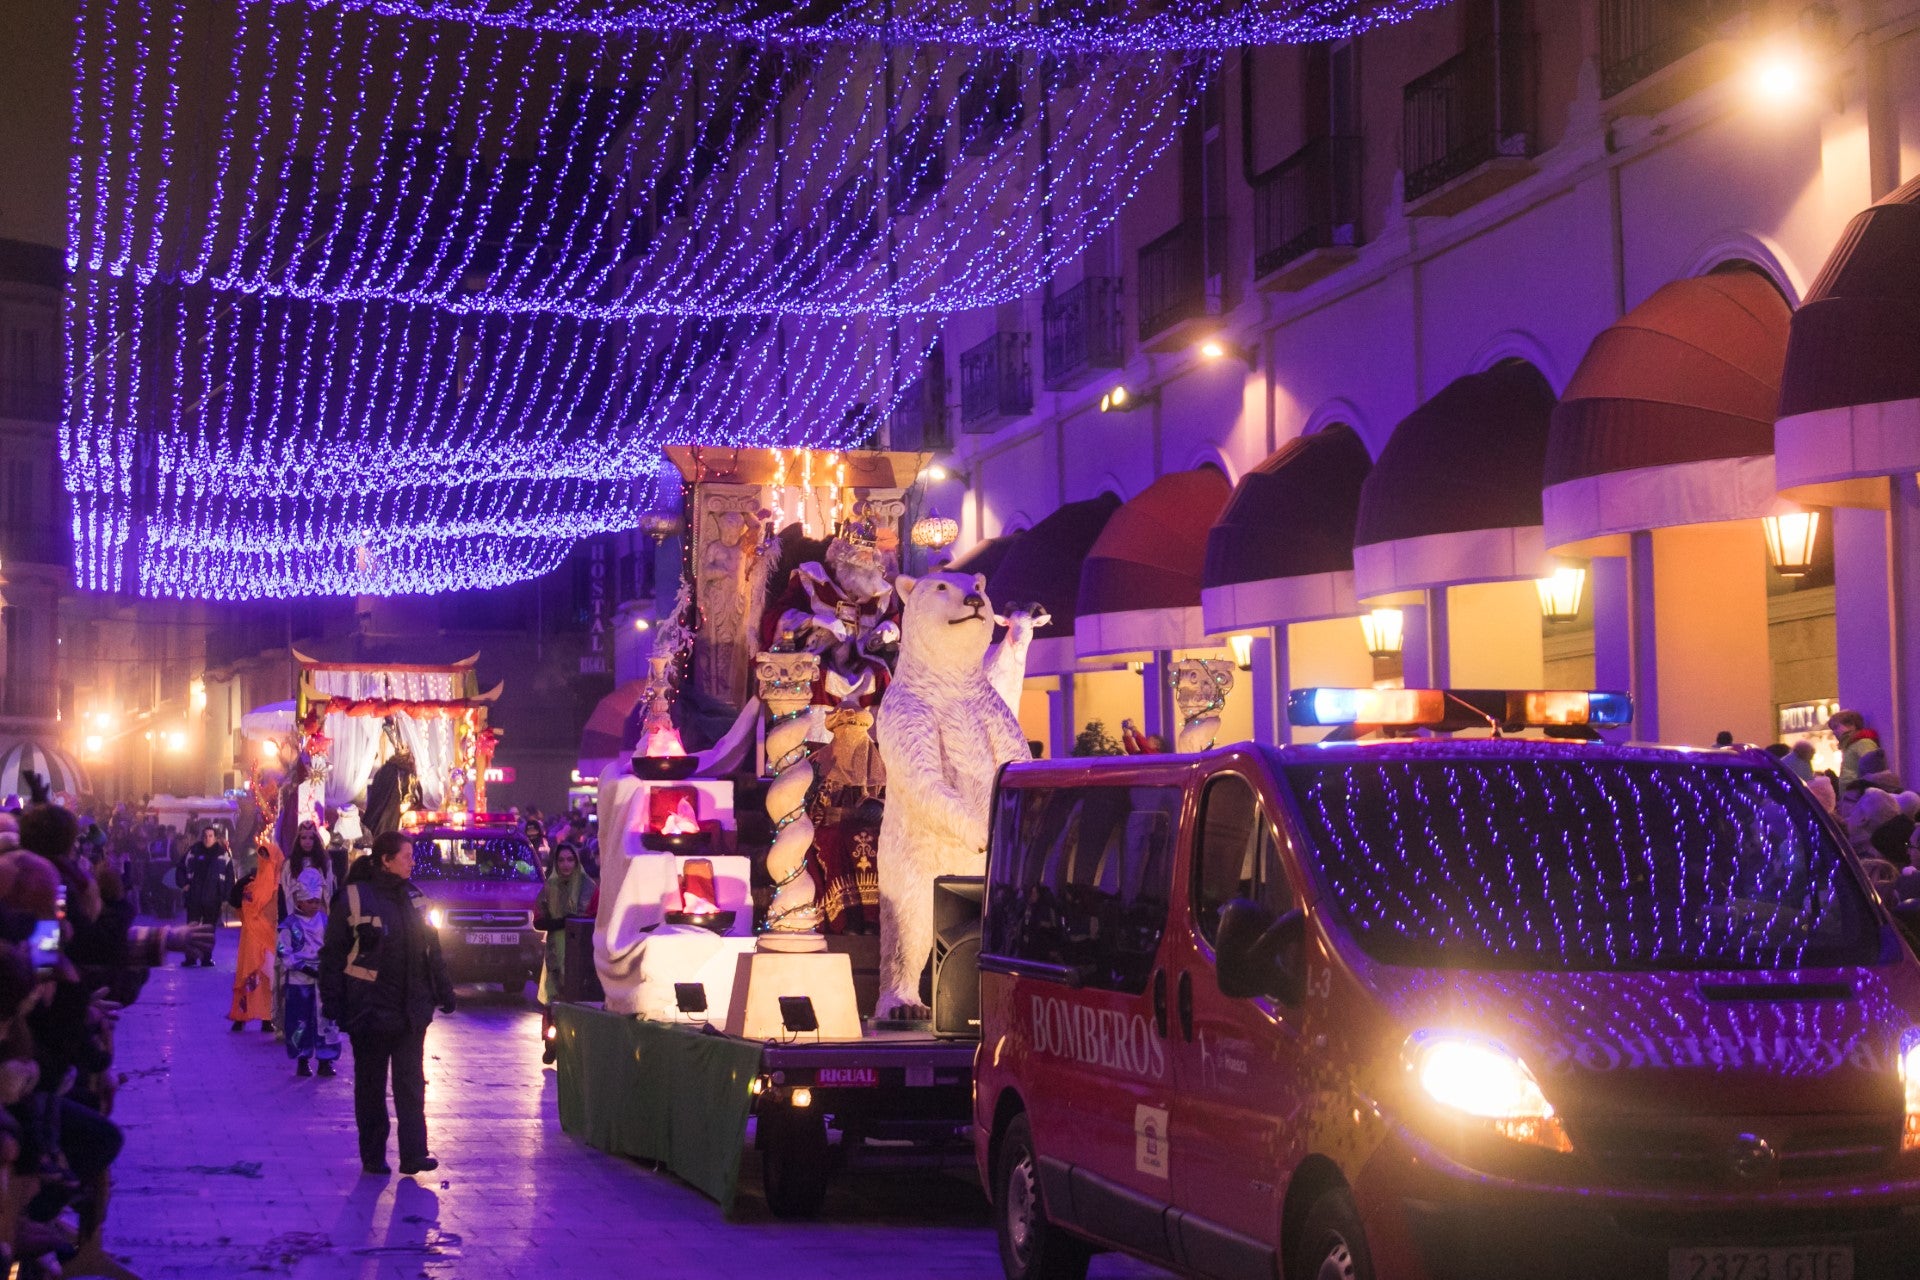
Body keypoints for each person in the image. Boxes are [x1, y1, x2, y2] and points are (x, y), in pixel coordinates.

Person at [319, 831, 454, 1177]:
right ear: (385, 859)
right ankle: (373, 1156)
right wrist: (332, 1001)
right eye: (406, 856)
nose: (412, 862)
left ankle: (414, 1154)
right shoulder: (353, 897)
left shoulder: (417, 898)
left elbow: (432, 950)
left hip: (411, 1010)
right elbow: (333, 953)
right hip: (370, 1010)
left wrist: (442, 989)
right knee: (371, 1086)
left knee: (410, 1084)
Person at [532, 844, 594, 1064]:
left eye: (570, 860)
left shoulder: (589, 887)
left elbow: (596, 918)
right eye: (561, 860)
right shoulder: (550, 887)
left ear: (576, 862)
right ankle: (552, 1043)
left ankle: (576, 1044)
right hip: (556, 951)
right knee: (553, 996)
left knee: (577, 998)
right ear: (556, 863)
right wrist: (560, 922)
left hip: (582, 953)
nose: (566, 865)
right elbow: (538, 920)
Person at [279, 869, 340, 1078]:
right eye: (310, 901)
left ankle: (326, 1059)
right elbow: (283, 951)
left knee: (326, 1020)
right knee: (300, 1021)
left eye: (317, 901)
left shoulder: (324, 921)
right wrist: (302, 966)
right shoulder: (289, 925)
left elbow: (333, 946)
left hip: (321, 981)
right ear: (299, 901)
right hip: (299, 983)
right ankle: (302, 1059)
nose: (314, 905)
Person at [228, 839, 284, 1033]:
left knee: (267, 978)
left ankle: (267, 1018)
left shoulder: (280, 887)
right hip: (250, 940)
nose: (264, 860)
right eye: (262, 856)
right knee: (248, 975)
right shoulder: (250, 883)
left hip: (268, 939)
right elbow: (234, 898)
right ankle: (241, 1016)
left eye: (268, 856)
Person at [180, 827, 233, 968]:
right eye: (205, 836)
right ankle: (191, 958)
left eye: (210, 836)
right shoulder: (193, 851)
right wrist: (183, 883)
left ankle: (206, 958)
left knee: (208, 931)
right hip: (194, 897)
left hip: (213, 898)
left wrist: (226, 898)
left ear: (215, 838)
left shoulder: (222, 854)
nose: (207, 838)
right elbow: (181, 868)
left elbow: (229, 876)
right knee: (192, 929)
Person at [1829, 710, 1885, 788]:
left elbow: (1872, 771)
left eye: (1836, 727)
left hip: (1858, 794)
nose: (1834, 732)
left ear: (1851, 725)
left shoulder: (1863, 743)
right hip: (1853, 794)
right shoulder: (1849, 745)